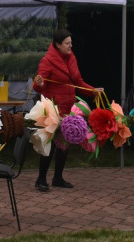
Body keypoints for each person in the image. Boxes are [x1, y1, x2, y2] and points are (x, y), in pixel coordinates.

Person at [32, 29, 101, 193]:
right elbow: (38, 85)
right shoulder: (47, 61)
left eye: (71, 42)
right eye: (67, 43)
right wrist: (39, 83)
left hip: (67, 108)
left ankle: (58, 178)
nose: (71, 45)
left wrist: (93, 91)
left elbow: (78, 82)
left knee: (64, 144)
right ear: (58, 44)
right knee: (49, 145)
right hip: (53, 109)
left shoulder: (71, 57)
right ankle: (41, 179)